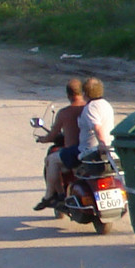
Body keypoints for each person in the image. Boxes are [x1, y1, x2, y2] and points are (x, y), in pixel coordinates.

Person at [40, 77, 115, 208]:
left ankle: (49, 196)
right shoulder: (106, 105)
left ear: (85, 92)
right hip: (105, 151)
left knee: (52, 159)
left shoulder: (89, 108)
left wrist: (102, 143)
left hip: (87, 151)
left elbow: (97, 127)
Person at [33, 78, 85, 211]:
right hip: (91, 150)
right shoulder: (89, 109)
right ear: (83, 93)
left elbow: (52, 135)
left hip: (74, 153)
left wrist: (43, 139)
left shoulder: (64, 113)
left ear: (68, 95)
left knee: (51, 160)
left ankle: (52, 195)